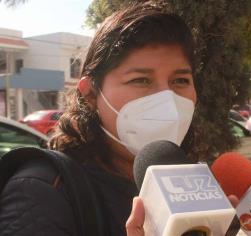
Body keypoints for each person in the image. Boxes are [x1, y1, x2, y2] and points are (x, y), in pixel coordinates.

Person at [0, 2, 199, 235]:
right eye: (141, 80)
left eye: (180, 81)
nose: (167, 101)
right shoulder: (43, 191)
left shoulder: (189, 184)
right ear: (91, 94)